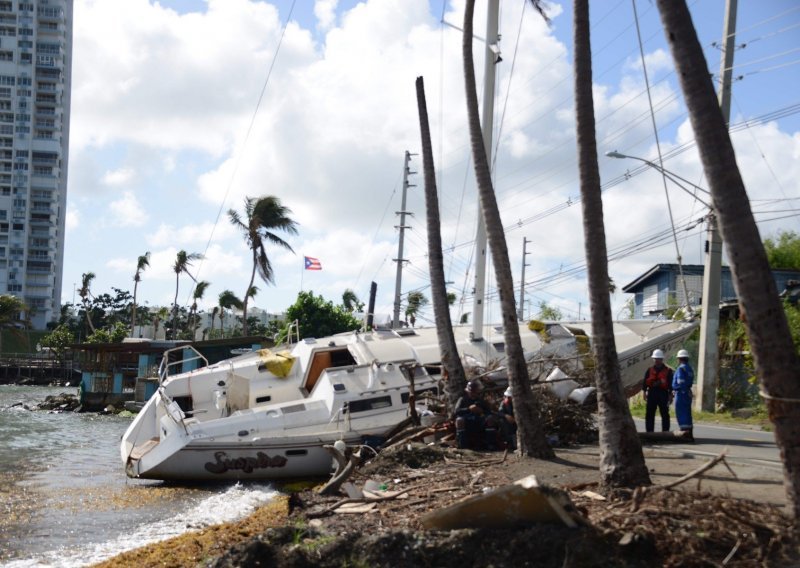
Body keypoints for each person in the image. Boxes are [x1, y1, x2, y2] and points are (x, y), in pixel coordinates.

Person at [453, 380, 497, 450]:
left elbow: (488, 412)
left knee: (490, 419)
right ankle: (463, 445)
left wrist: (481, 411)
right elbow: (456, 412)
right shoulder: (462, 399)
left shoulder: (480, 400)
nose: (473, 394)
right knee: (459, 420)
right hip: (467, 420)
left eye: (475, 392)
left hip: (479, 420)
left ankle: (490, 444)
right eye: (471, 392)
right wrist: (468, 409)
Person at [642, 349, 674, 433]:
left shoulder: (668, 371)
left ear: (662, 359)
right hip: (652, 393)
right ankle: (649, 432)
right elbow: (645, 382)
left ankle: (665, 431)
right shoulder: (649, 370)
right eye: (655, 359)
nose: (656, 360)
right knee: (649, 413)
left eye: (658, 359)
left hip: (663, 393)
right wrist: (644, 393)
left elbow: (671, 384)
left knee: (665, 413)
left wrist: (671, 395)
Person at [672, 349, 695, 441]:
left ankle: (684, 434)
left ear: (679, 359)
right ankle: (690, 434)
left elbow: (680, 382)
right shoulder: (689, 368)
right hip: (687, 392)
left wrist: (678, 388)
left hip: (681, 393)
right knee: (687, 413)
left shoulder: (681, 369)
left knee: (681, 413)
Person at [498, 386, 517, 451]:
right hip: (509, 423)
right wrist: (506, 416)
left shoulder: (519, 403)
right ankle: (510, 443)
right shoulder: (504, 403)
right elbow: (500, 413)